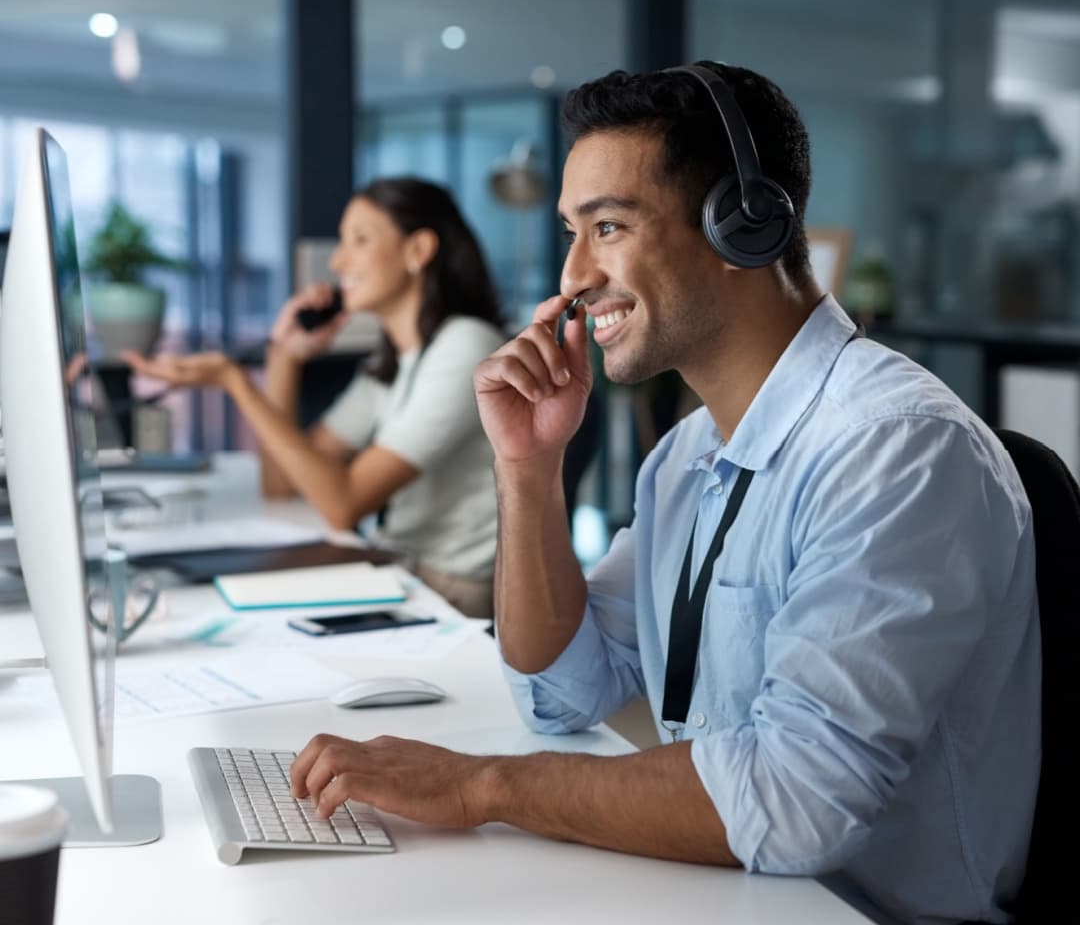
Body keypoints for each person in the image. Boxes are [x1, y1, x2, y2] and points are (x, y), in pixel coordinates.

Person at [286, 64, 1041, 925]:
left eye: (608, 226)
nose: (571, 275)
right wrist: (529, 471)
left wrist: (480, 784)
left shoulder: (895, 450)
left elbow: (797, 802)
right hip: (719, 888)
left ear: (742, 227)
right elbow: (561, 693)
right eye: (571, 231)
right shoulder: (688, 456)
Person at [124, 177, 505, 617]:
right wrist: (284, 358)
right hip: (402, 570)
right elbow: (283, 485)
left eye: (359, 240)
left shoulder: (465, 347)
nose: (340, 262)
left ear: (417, 251)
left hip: (451, 590)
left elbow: (342, 503)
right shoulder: (395, 360)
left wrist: (236, 382)